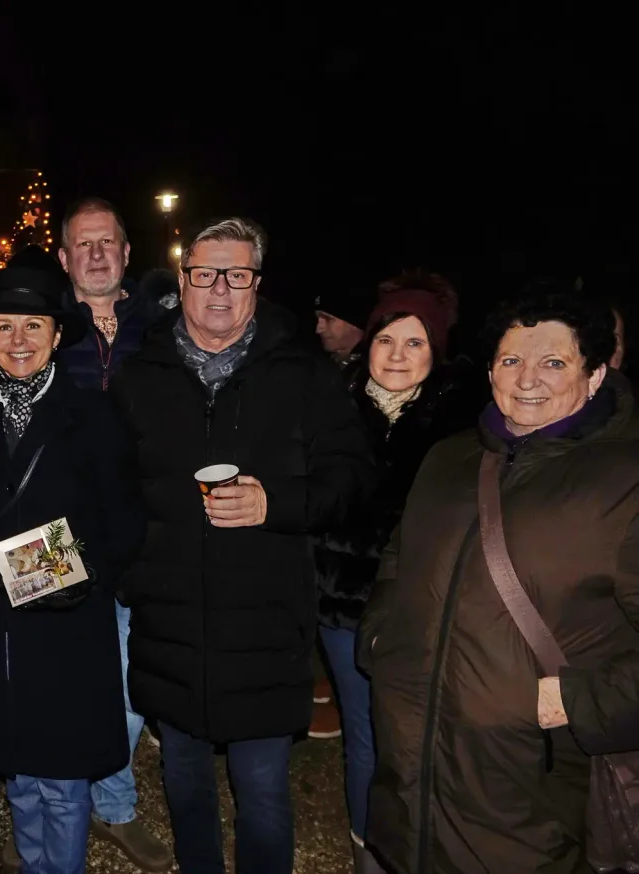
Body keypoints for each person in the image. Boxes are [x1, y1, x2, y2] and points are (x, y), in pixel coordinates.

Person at [111, 218, 374, 874]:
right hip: (169, 623)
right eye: (205, 273)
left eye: (237, 274)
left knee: (261, 793)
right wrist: (125, 575)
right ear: (184, 279)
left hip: (265, 623)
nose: (220, 289)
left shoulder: (304, 375)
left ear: (257, 284)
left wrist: (275, 504)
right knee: (186, 784)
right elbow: (108, 489)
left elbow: (353, 479)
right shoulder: (140, 378)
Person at [360, 290, 639, 874]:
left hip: (530, 797)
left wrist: (584, 701)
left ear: (594, 376)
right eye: (512, 360)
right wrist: (380, 637)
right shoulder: (450, 457)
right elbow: (398, 554)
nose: (527, 378)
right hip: (410, 773)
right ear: (490, 371)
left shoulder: (624, 481)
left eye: (554, 362)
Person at [0, 267, 142, 874]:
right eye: (4, 326)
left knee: (64, 784)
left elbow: (125, 518)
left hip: (69, 622)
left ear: (53, 335)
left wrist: (76, 574)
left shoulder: (94, 414)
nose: (18, 338)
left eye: (32, 325)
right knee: (16, 772)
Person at [313, 285, 475, 872]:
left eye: (416, 341)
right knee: (365, 737)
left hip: (428, 614)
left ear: (437, 351)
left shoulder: (462, 427)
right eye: (386, 339)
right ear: (368, 344)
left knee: (424, 739)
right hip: (342, 608)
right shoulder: (332, 411)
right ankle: (370, 851)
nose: (399, 354)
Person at [51, 197, 170, 871]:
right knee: (73, 672)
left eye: (108, 243)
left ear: (126, 254)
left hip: (141, 529)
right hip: (63, 535)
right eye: (83, 245)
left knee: (132, 680)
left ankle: (109, 800)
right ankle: (107, 802)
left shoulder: (160, 332)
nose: (96, 254)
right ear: (65, 259)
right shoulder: (43, 328)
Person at [314, 288, 373, 367]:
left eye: (328, 319)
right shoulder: (314, 363)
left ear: (354, 322)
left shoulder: (375, 371)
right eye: (318, 319)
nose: (318, 329)